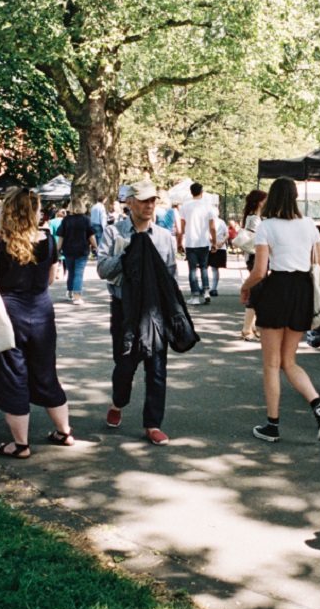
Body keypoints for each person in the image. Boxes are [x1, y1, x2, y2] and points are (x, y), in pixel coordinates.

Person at [240, 177, 320, 443]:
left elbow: (260, 271)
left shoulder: (266, 226)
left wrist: (245, 287)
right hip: (303, 290)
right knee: (289, 361)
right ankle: (319, 406)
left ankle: (272, 425)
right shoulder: (309, 225)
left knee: (271, 364)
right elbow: (317, 262)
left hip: (277, 289)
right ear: (295, 197)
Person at [0, 188, 73, 458]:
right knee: (46, 373)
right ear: (34, 211)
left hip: (8, 316)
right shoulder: (49, 239)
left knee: (12, 377)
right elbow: (51, 279)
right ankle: (64, 431)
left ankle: (20, 445)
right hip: (42, 313)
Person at [97, 180, 180, 446]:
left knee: (157, 368)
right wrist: (127, 255)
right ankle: (118, 402)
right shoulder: (114, 233)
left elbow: (171, 276)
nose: (149, 205)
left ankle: (153, 424)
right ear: (129, 202)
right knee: (125, 365)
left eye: (153, 200)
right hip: (124, 309)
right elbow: (102, 270)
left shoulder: (165, 236)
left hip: (155, 311)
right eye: (143, 200)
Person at [181, 182, 217, 304]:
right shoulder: (208, 206)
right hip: (204, 241)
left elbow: (182, 226)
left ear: (191, 192)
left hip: (191, 241)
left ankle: (195, 296)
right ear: (202, 192)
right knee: (204, 267)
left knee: (192, 269)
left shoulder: (185, 206)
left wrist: (180, 240)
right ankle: (206, 290)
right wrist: (214, 242)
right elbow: (212, 226)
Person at [238, 189, 266, 342]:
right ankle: (246, 328)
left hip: (254, 256)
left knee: (257, 290)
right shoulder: (255, 218)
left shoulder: (252, 217)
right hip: (255, 256)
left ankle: (251, 326)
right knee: (256, 291)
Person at [56, 200, 95, 305]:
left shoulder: (66, 220)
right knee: (79, 272)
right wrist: (97, 247)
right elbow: (91, 235)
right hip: (82, 250)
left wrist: (57, 249)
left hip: (68, 249)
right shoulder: (86, 220)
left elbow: (61, 236)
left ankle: (69, 292)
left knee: (71, 272)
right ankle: (77, 296)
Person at [208, 213, 229, 296]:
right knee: (215, 268)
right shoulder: (222, 222)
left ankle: (204, 286)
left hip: (209, 246)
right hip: (221, 247)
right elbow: (227, 234)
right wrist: (222, 241)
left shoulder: (207, 221)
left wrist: (213, 242)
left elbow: (207, 234)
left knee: (204, 267)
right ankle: (214, 288)